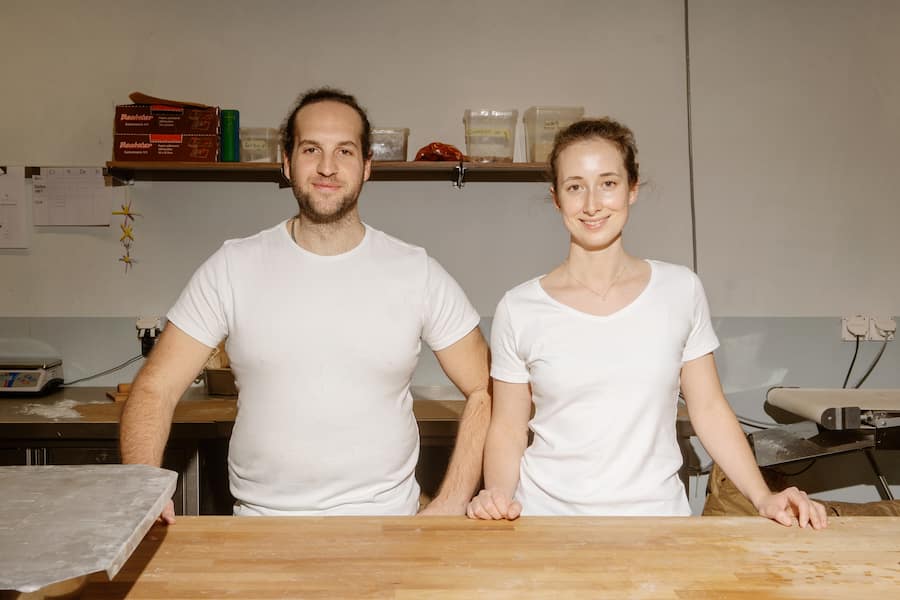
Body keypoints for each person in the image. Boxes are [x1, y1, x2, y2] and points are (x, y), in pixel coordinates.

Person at [121, 88, 490, 522]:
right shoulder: (232, 266)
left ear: (367, 165)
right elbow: (155, 386)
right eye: (311, 148)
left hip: (387, 527)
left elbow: (488, 390)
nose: (328, 167)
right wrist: (142, 486)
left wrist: (451, 501)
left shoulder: (416, 271)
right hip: (261, 526)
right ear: (287, 160)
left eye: (345, 151)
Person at [466, 118, 827, 529]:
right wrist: (497, 494)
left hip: (656, 523)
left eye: (607, 183)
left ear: (632, 189)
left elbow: (708, 409)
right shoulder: (520, 306)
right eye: (574, 186)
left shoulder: (680, 290)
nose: (591, 204)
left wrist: (762, 496)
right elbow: (509, 429)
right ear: (556, 199)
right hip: (548, 524)